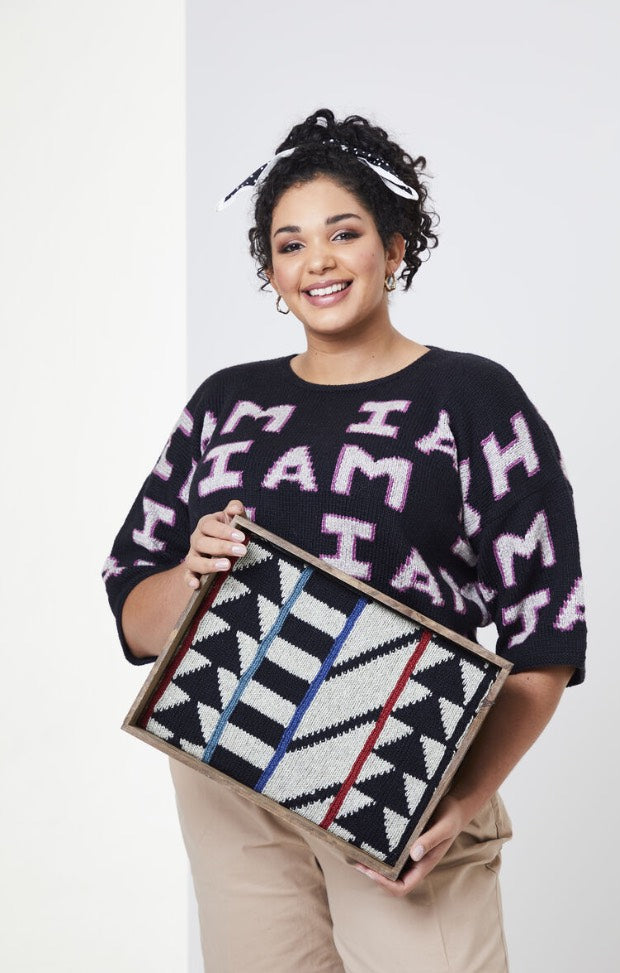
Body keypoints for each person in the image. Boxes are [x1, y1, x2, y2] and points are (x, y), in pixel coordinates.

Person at [102, 107, 587, 973]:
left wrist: (462, 798)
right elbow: (135, 615)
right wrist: (193, 571)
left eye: (343, 233)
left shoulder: (474, 399)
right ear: (270, 269)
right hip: (229, 773)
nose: (317, 261)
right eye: (289, 245)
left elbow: (545, 638)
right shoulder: (227, 404)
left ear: (395, 246)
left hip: (401, 766)